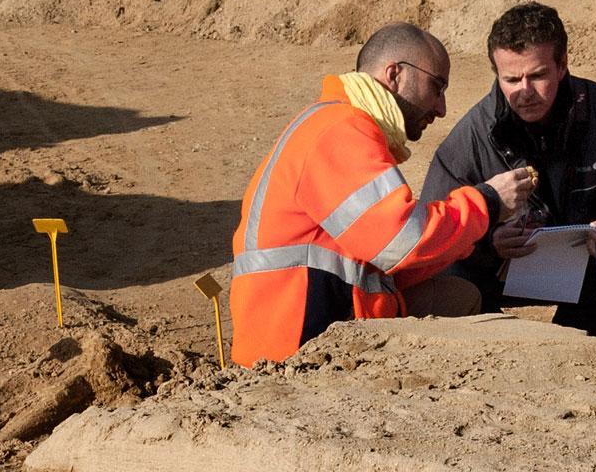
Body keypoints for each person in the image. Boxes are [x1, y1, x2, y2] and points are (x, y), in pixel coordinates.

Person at [229, 22, 536, 366]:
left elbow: (388, 258)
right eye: (437, 87)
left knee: (459, 297)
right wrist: (488, 201)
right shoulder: (341, 130)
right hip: (294, 343)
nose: (441, 108)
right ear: (394, 75)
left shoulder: (341, 125)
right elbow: (401, 242)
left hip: (318, 320)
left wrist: (477, 239)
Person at [423, 2, 596, 334]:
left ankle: (574, 331)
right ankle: (503, 337)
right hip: (497, 269)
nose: (524, 91)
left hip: (586, 265)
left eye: (538, 75)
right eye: (511, 79)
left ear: (562, 65)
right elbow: (432, 226)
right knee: (446, 272)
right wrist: (488, 241)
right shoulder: (473, 134)